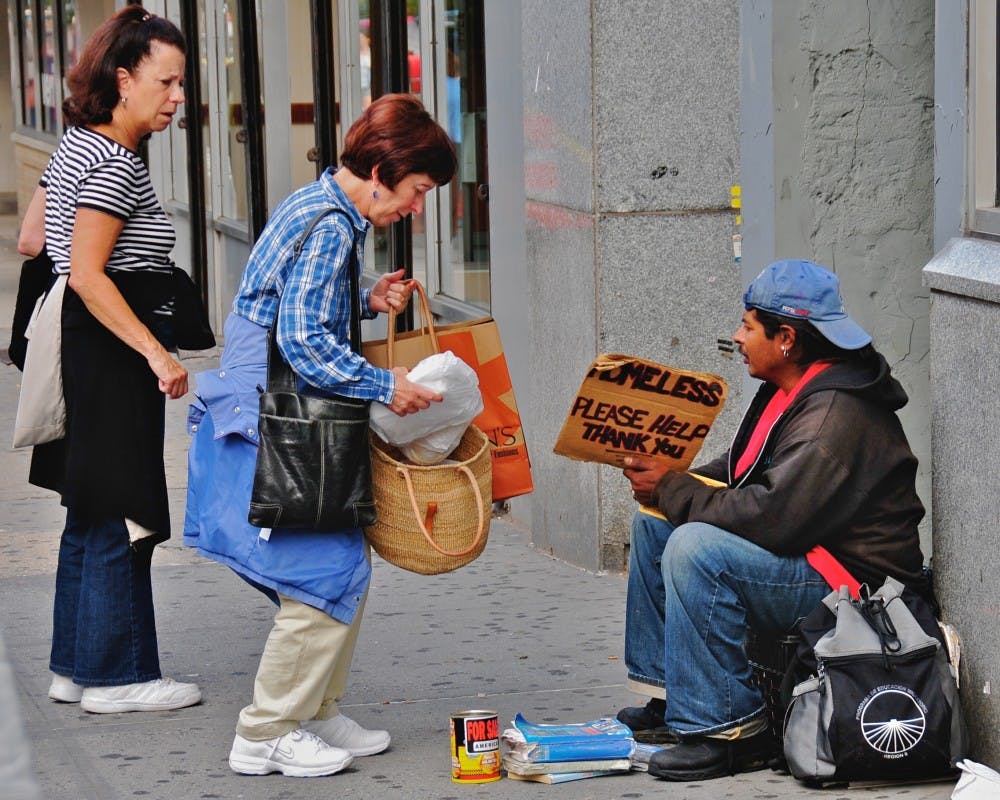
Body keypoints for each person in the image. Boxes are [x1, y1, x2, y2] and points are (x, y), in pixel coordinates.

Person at [183, 93, 457, 778]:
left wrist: (365, 296)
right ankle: (267, 730)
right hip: (286, 417)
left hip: (275, 413)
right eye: (418, 191)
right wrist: (387, 386)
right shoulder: (333, 227)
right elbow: (303, 339)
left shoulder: (319, 207)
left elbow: (288, 296)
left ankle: (312, 710)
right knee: (322, 571)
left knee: (337, 564)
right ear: (383, 170)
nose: (417, 208)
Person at [616, 259, 928, 782]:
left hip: (855, 584)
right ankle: (671, 699)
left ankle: (731, 730)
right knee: (655, 524)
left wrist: (674, 488)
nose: (737, 338)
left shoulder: (834, 414)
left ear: (786, 338)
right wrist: (673, 480)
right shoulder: (792, 386)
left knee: (695, 549)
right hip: (811, 549)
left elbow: (774, 515)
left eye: (747, 326)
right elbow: (744, 474)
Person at [16, 7, 202, 714]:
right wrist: (156, 353)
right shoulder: (114, 163)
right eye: (168, 81)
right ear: (124, 80)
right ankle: (119, 676)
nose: (178, 96)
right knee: (122, 507)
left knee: (91, 506)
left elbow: (34, 239)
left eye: (182, 82)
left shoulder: (76, 147)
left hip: (79, 346)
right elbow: (91, 273)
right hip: (111, 351)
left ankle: (75, 667)